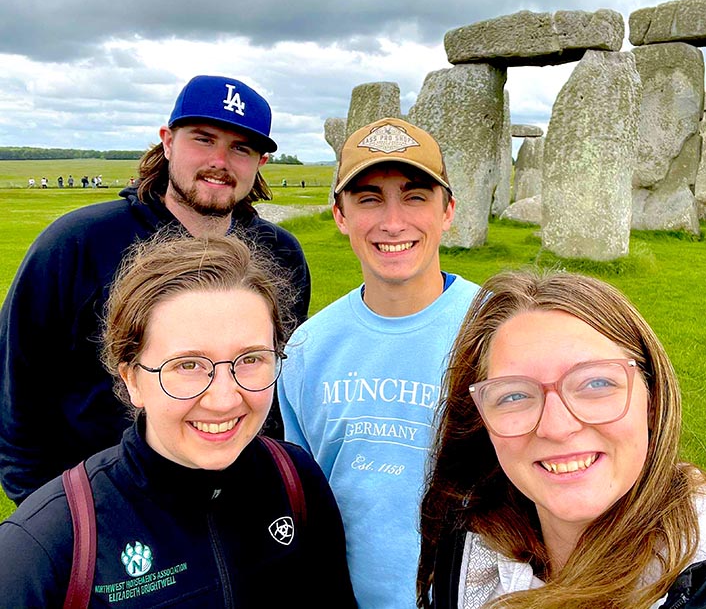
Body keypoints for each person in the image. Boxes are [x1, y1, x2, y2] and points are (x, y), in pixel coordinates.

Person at [417, 269, 706, 609]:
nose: (557, 427)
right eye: (514, 395)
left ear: (652, 399)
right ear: (482, 420)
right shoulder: (470, 542)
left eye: (596, 383)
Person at [0, 74, 311, 505]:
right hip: (103, 504)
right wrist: (46, 511)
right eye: (203, 139)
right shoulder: (78, 243)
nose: (220, 160)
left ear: (260, 164)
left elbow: (273, 387)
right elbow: (19, 388)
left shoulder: (280, 255)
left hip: (233, 502)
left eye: (241, 148)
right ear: (167, 142)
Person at [0, 234, 356, 607]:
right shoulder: (50, 544)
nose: (223, 399)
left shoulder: (296, 480)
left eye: (250, 359)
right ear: (132, 379)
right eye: (188, 365)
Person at [278, 117, 480, 609]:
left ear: (448, 210)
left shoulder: (498, 331)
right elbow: (306, 496)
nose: (393, 222)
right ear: (340, 214)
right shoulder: (307, 349)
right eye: (369, 198)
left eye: (415, 197)